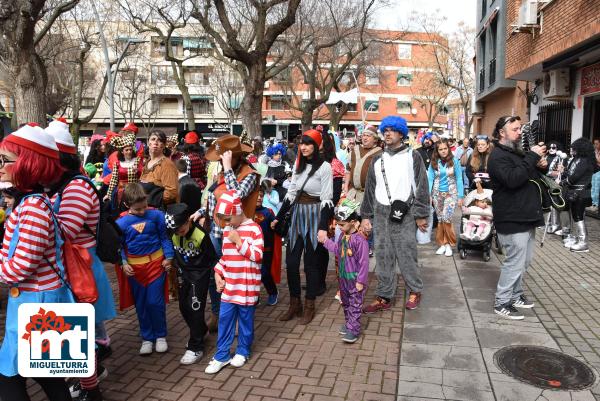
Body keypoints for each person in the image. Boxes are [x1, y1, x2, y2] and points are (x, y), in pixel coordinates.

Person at [0, 123, 74, 400]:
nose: (1, 165)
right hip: (38, 300)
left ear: (29, 163)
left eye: (6, 159)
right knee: (46, 373)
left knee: (9, 374)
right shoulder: (32, 202)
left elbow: (20, 266)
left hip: (36, 302)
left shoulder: (32, 207)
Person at [46, 119, 117, 401]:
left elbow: (63, 231)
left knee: (83, 330)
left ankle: (91, 378)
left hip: (81, 268)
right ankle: (87, 374)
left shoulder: (76, 187)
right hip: (73, 268)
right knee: (80, 329)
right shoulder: (64, 186)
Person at [360, 116, 429, 312]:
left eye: (392, 130)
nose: (388, 133)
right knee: (383, 255)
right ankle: (384, 295)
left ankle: (415, 290)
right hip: (381, 212)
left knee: (407, 254)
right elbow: (370, 190)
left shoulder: (412, 156)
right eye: (385, 130)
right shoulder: (377, 158)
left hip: (405, 212)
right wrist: (366, 216)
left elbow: (422, 186)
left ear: (401, 133)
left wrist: (421, 214)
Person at [192, 134, 259, 333]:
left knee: (237, 276)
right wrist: (202, 211)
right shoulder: (222, 174)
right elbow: (214, 200)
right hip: (215, 231)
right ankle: (218, 314)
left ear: (237, 156)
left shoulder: (250, 174)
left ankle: (239, 319)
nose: (221, 160)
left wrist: (228, 167)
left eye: (225, 156)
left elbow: (235, 196)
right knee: (217, 275)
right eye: (221, 158)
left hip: (237, 234)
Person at [271, 129, 333, 324]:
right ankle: (294, 304)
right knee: (290, 264)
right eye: (302, 143)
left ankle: (309, 305)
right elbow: (290, 194)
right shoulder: (298, 164)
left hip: (315, 216)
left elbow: (327, 200)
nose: (304, 147)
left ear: (316, 145)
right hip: (297, 215)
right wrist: (279, 217)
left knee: (311, 265)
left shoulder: (325, 167)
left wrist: (323, 227)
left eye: (308, 143)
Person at [488, 115, 545, 320]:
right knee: (514, 262)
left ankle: (515, 294)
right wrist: (532, 157)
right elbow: (513, 180)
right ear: (502, 133)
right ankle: (502, 301)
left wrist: (540, 164)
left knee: (525, 260)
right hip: (512, 217)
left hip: (526, 214)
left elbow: (529, 176)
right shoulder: (497, 156)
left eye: (520, 128)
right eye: (515, 129)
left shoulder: (516, 152)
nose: (519, 132)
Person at [204, 190, 263, 374]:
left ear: (238, 211)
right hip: (230, 288)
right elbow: (225, 258)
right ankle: (221, 355)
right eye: (224, 221)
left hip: (246, 288)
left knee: (245, 322)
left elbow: (258, 256)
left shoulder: (254, 229)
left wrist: (239, 241)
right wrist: (218, 273)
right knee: (225, 321)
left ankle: (243, 351)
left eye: (229, 219)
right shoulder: (227, 229)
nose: (226, 224)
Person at [115, 183, 175, 354]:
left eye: (144, 207)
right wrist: (123, 263)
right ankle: (147, 338)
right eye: (138, 209)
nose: (142, 211)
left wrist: (168, 257)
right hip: (135, 270)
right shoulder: (121, 223)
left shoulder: (156, 216)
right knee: (141, 305)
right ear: (127, 205)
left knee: (155, 302)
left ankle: (161, 335)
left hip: (156, 265)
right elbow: (119, 247)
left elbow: (164, 238)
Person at [165, 203, 219, 365]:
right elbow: (175, 250)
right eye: (175, 230)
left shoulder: (200, 235)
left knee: (196, 308)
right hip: (185, 274)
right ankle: (200, 331)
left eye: (181, 227)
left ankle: (196, 347)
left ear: (188, 220)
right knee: (183, 306)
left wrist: (213, 275)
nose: (178, 232)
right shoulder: (173, 232)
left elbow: (211, 257)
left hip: (200, 275)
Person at [320, 199, 369, 344]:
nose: (340, 228)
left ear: (353, 222)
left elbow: (364, 263)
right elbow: (337, 250)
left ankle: (354, 329)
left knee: (355, 304)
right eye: (338, 225)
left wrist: (361, 281)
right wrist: (325, 242)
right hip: (343, 277)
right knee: (346, 302)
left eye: (342, 225)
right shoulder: (342, 236)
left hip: (354, 279)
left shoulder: (360, 241)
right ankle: (349, 324)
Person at [428, 139, 464, 257]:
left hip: (451, 194)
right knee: (440, 219)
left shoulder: (455, 161)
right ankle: (442, 244)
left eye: (445, 149)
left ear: (448, 149)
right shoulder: (434, 162)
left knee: (446, 218)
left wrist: (460, 196)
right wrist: (428, 194)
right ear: (437, 151)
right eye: (440, 149)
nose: (443, 151)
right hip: (437, 194)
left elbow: (459, 179)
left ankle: (449, 244)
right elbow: (430, 179)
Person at [560, 138, 595, 252]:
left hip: (581, 192)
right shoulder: (577, 159)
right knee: (575, 216)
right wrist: (563, 171)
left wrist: (563, 182)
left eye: (574, 148)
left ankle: (583, 242)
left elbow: (575, 176)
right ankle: (576, 239)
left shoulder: (586, 161)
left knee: (579, 216)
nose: (572, 149)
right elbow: (570, 173)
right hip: (574, 192)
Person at [140, 130, 179, 208]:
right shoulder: (148, 162)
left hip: (158, 210)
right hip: (144, 208)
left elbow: (172, 192)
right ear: (148, 143)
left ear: (164, 145)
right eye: (153, 139)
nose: (156, 143)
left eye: (160, 140)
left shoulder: (167, 164)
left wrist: (151, 200)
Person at [105, 132, 144, 210]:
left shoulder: (137, 161)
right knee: (123, 211)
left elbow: (143, 176)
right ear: (122, 151)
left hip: (135, 192)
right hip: (121, 193)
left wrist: (138, 171)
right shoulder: (118, 163)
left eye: (130, 149)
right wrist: (108, 194)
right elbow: (114, 180)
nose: (129, 152)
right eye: (126, 150)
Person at [585, 138, 600, 214]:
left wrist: (595, 156)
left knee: (597, 188)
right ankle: (593, 204)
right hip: (595, 171)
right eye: (594, 144)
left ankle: (596, 205)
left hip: (599, 172)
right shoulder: (594, 152)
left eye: (597, 143)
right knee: (593, 187)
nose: (595, 145)